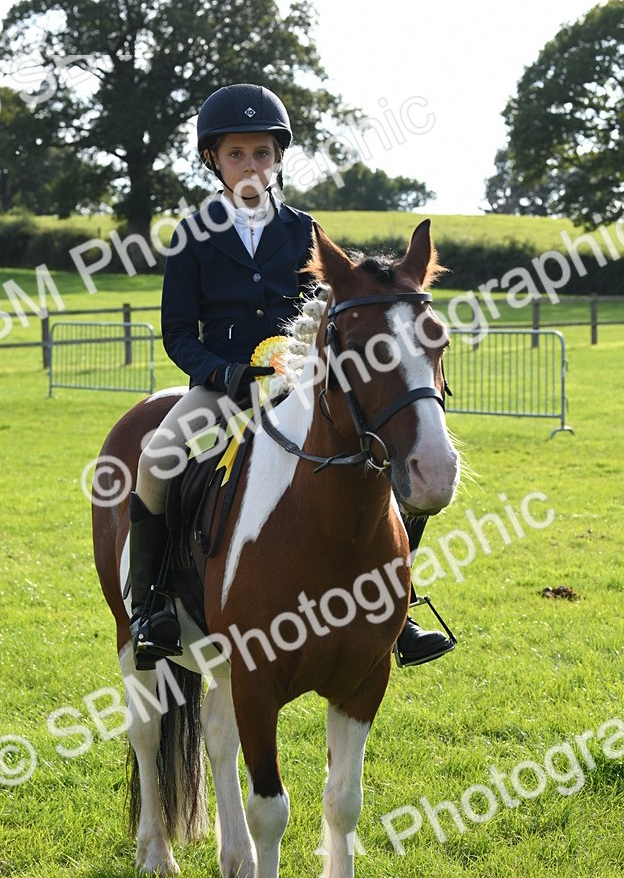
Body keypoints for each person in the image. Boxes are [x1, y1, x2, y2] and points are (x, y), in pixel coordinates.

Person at [128, 82, 453, 671]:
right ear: (213, 160)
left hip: (301, 384)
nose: (250, 166)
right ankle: (151, 607)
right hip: (223, 386)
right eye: (236, 154)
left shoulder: (305, 230)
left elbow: (334, 312)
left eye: (262, 153)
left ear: (278, 157)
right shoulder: (191, 235)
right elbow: (177, 332)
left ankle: (397, 606)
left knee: (389, 454)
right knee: (156, 461)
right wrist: (223, 371)